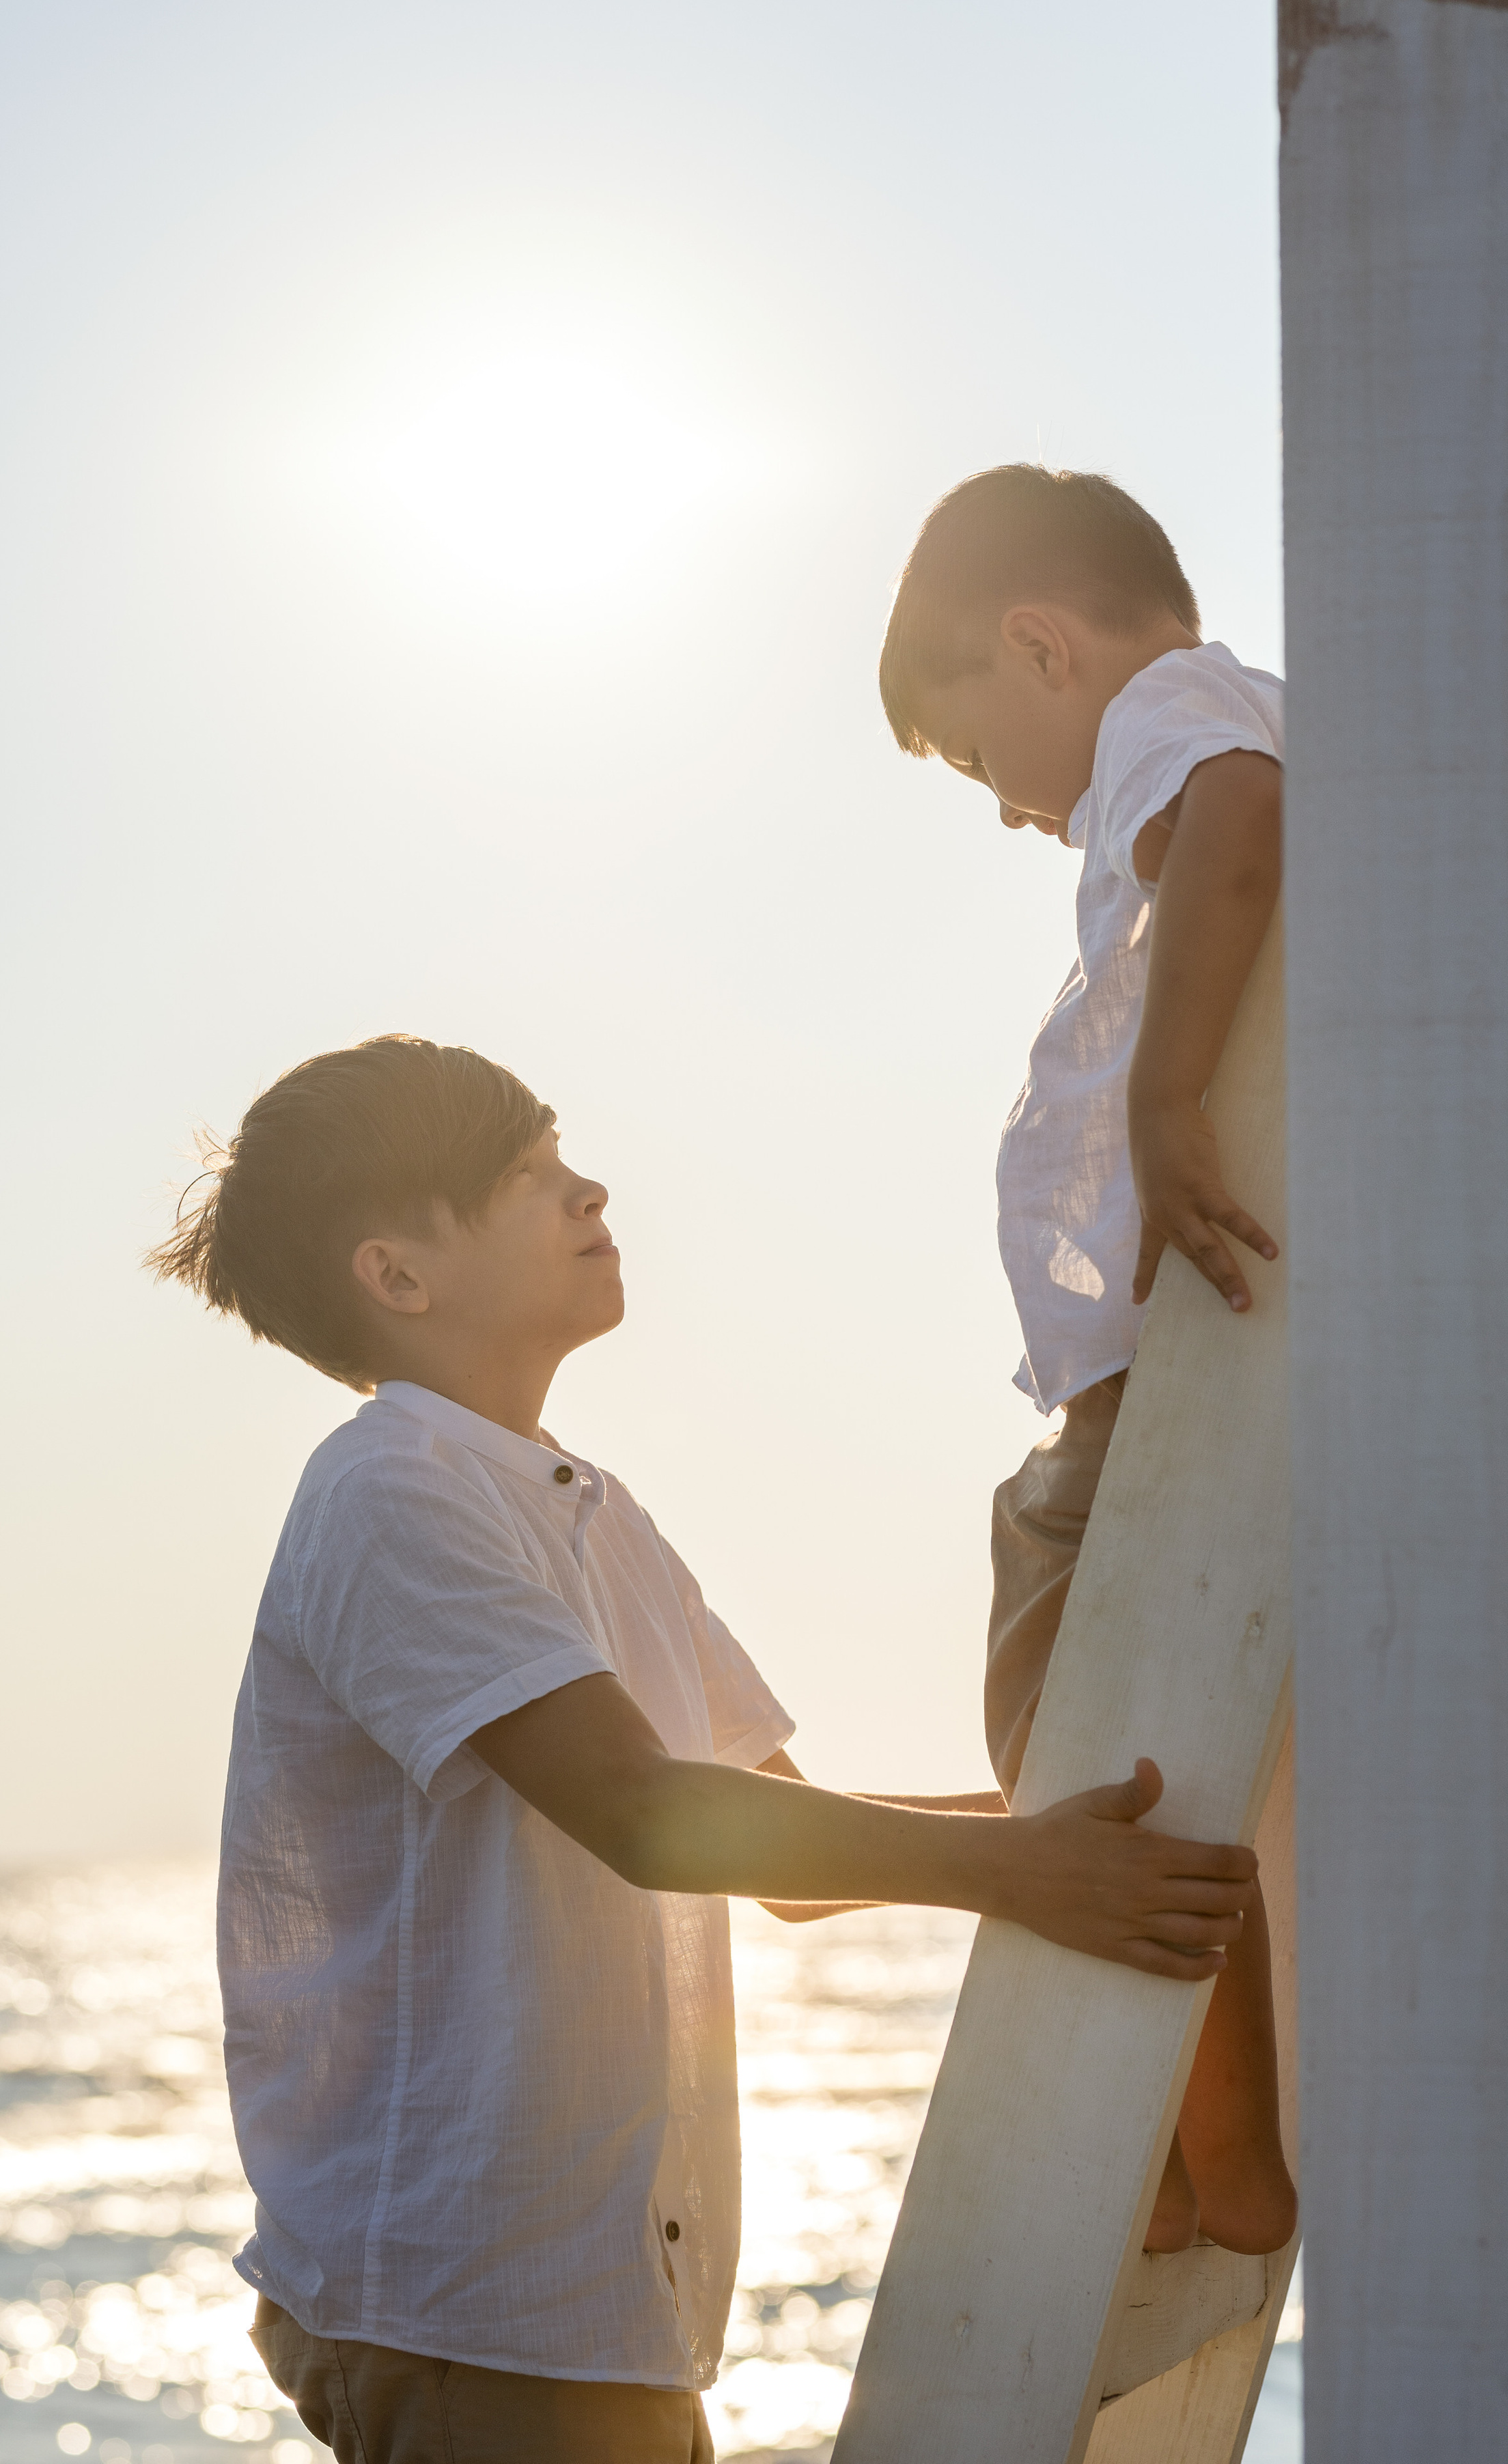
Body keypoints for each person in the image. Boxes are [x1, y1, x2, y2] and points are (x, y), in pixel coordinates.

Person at [145, 1033, 1260, 2461]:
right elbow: (647, 1815)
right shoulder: (390, 1489)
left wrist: (1068, 1825)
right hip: (465, 2312)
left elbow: (777, 1842)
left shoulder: (591, 1510)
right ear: (397, 1276)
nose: (588, 1187)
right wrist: (1021, 1872)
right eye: (526, 1174)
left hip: (597, 2310)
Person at [878, 462, 1298, 2258]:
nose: (996, 815)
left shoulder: (1172, 718)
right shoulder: (1199, 717)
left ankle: (1207, 2165)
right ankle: (1214, 2158)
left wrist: (1162, 1085)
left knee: (1076, 1762)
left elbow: (1239, 813)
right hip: (1166, 1375)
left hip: (1149, 1388)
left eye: (977, 760)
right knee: (1123, 1759)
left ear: (1040, 646)